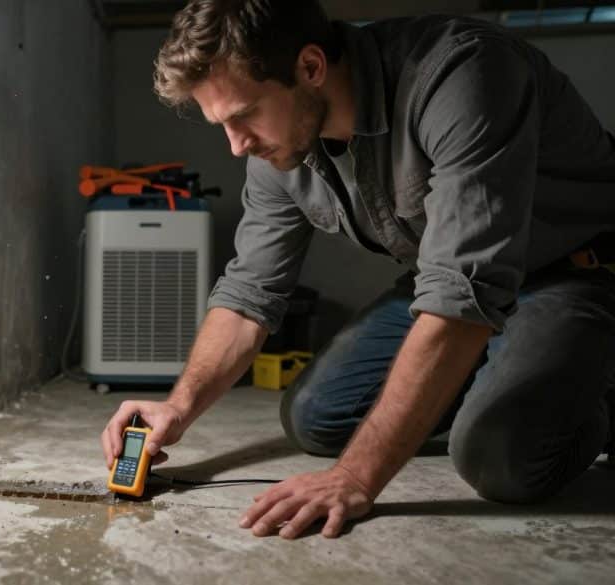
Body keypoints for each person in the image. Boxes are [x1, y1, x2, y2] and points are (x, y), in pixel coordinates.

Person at [100, 0, 615, 540]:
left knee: (500, 458)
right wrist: (178, 407)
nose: (236, 145)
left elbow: (463, 292)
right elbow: (250, 292)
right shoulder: (278, 148)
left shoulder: (464, 75)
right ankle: (501, 378)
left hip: (571, 271)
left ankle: (594, 388)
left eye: (243, 114)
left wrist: (355, 476)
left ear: (311, 67)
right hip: (451, 284)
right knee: (316, 417)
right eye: (221, 124)